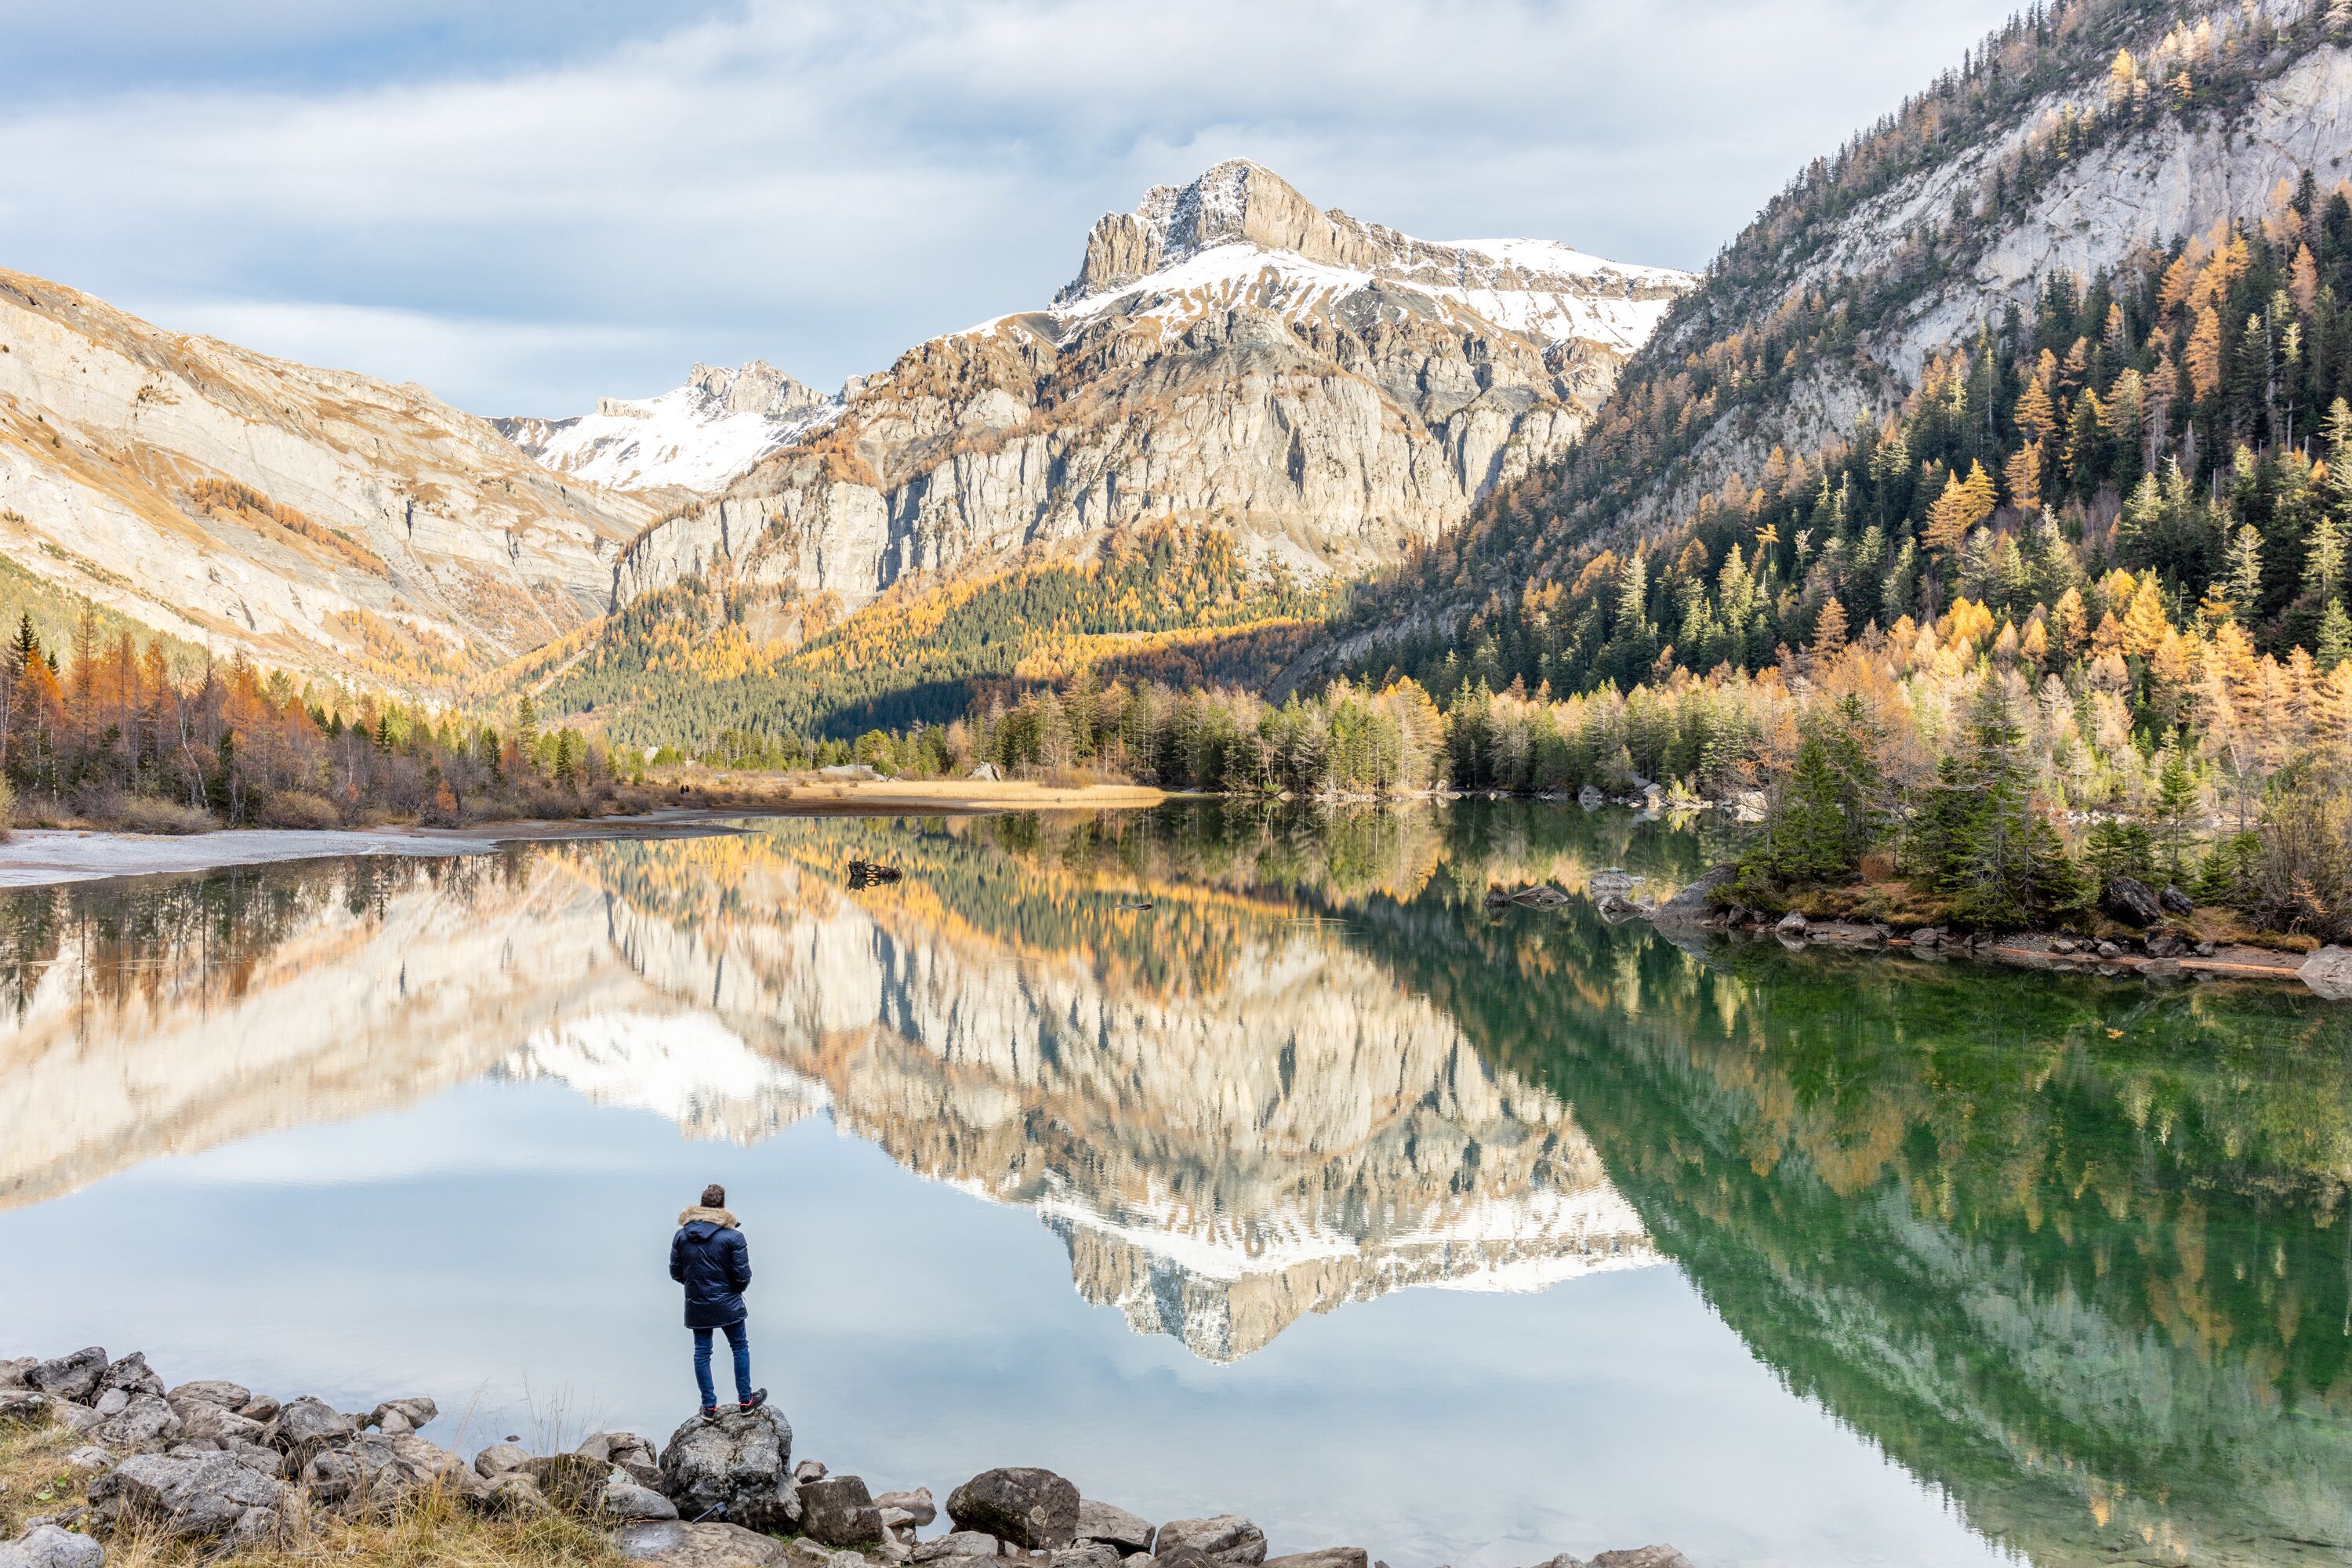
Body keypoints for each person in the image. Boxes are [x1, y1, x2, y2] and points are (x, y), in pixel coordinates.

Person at [670, 1183, 767, 1417]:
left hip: (697, 1304)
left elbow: (676, 1273)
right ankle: (746, 1401)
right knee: (739, 1347)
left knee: (702, 1353)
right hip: (728, 1303)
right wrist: (733, 1291)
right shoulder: (734, 1237)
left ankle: (709, 1407)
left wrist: (697, 1287)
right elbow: (743, 1276)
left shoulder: (682, 1236)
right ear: (722, 1206)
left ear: (701, 1206)